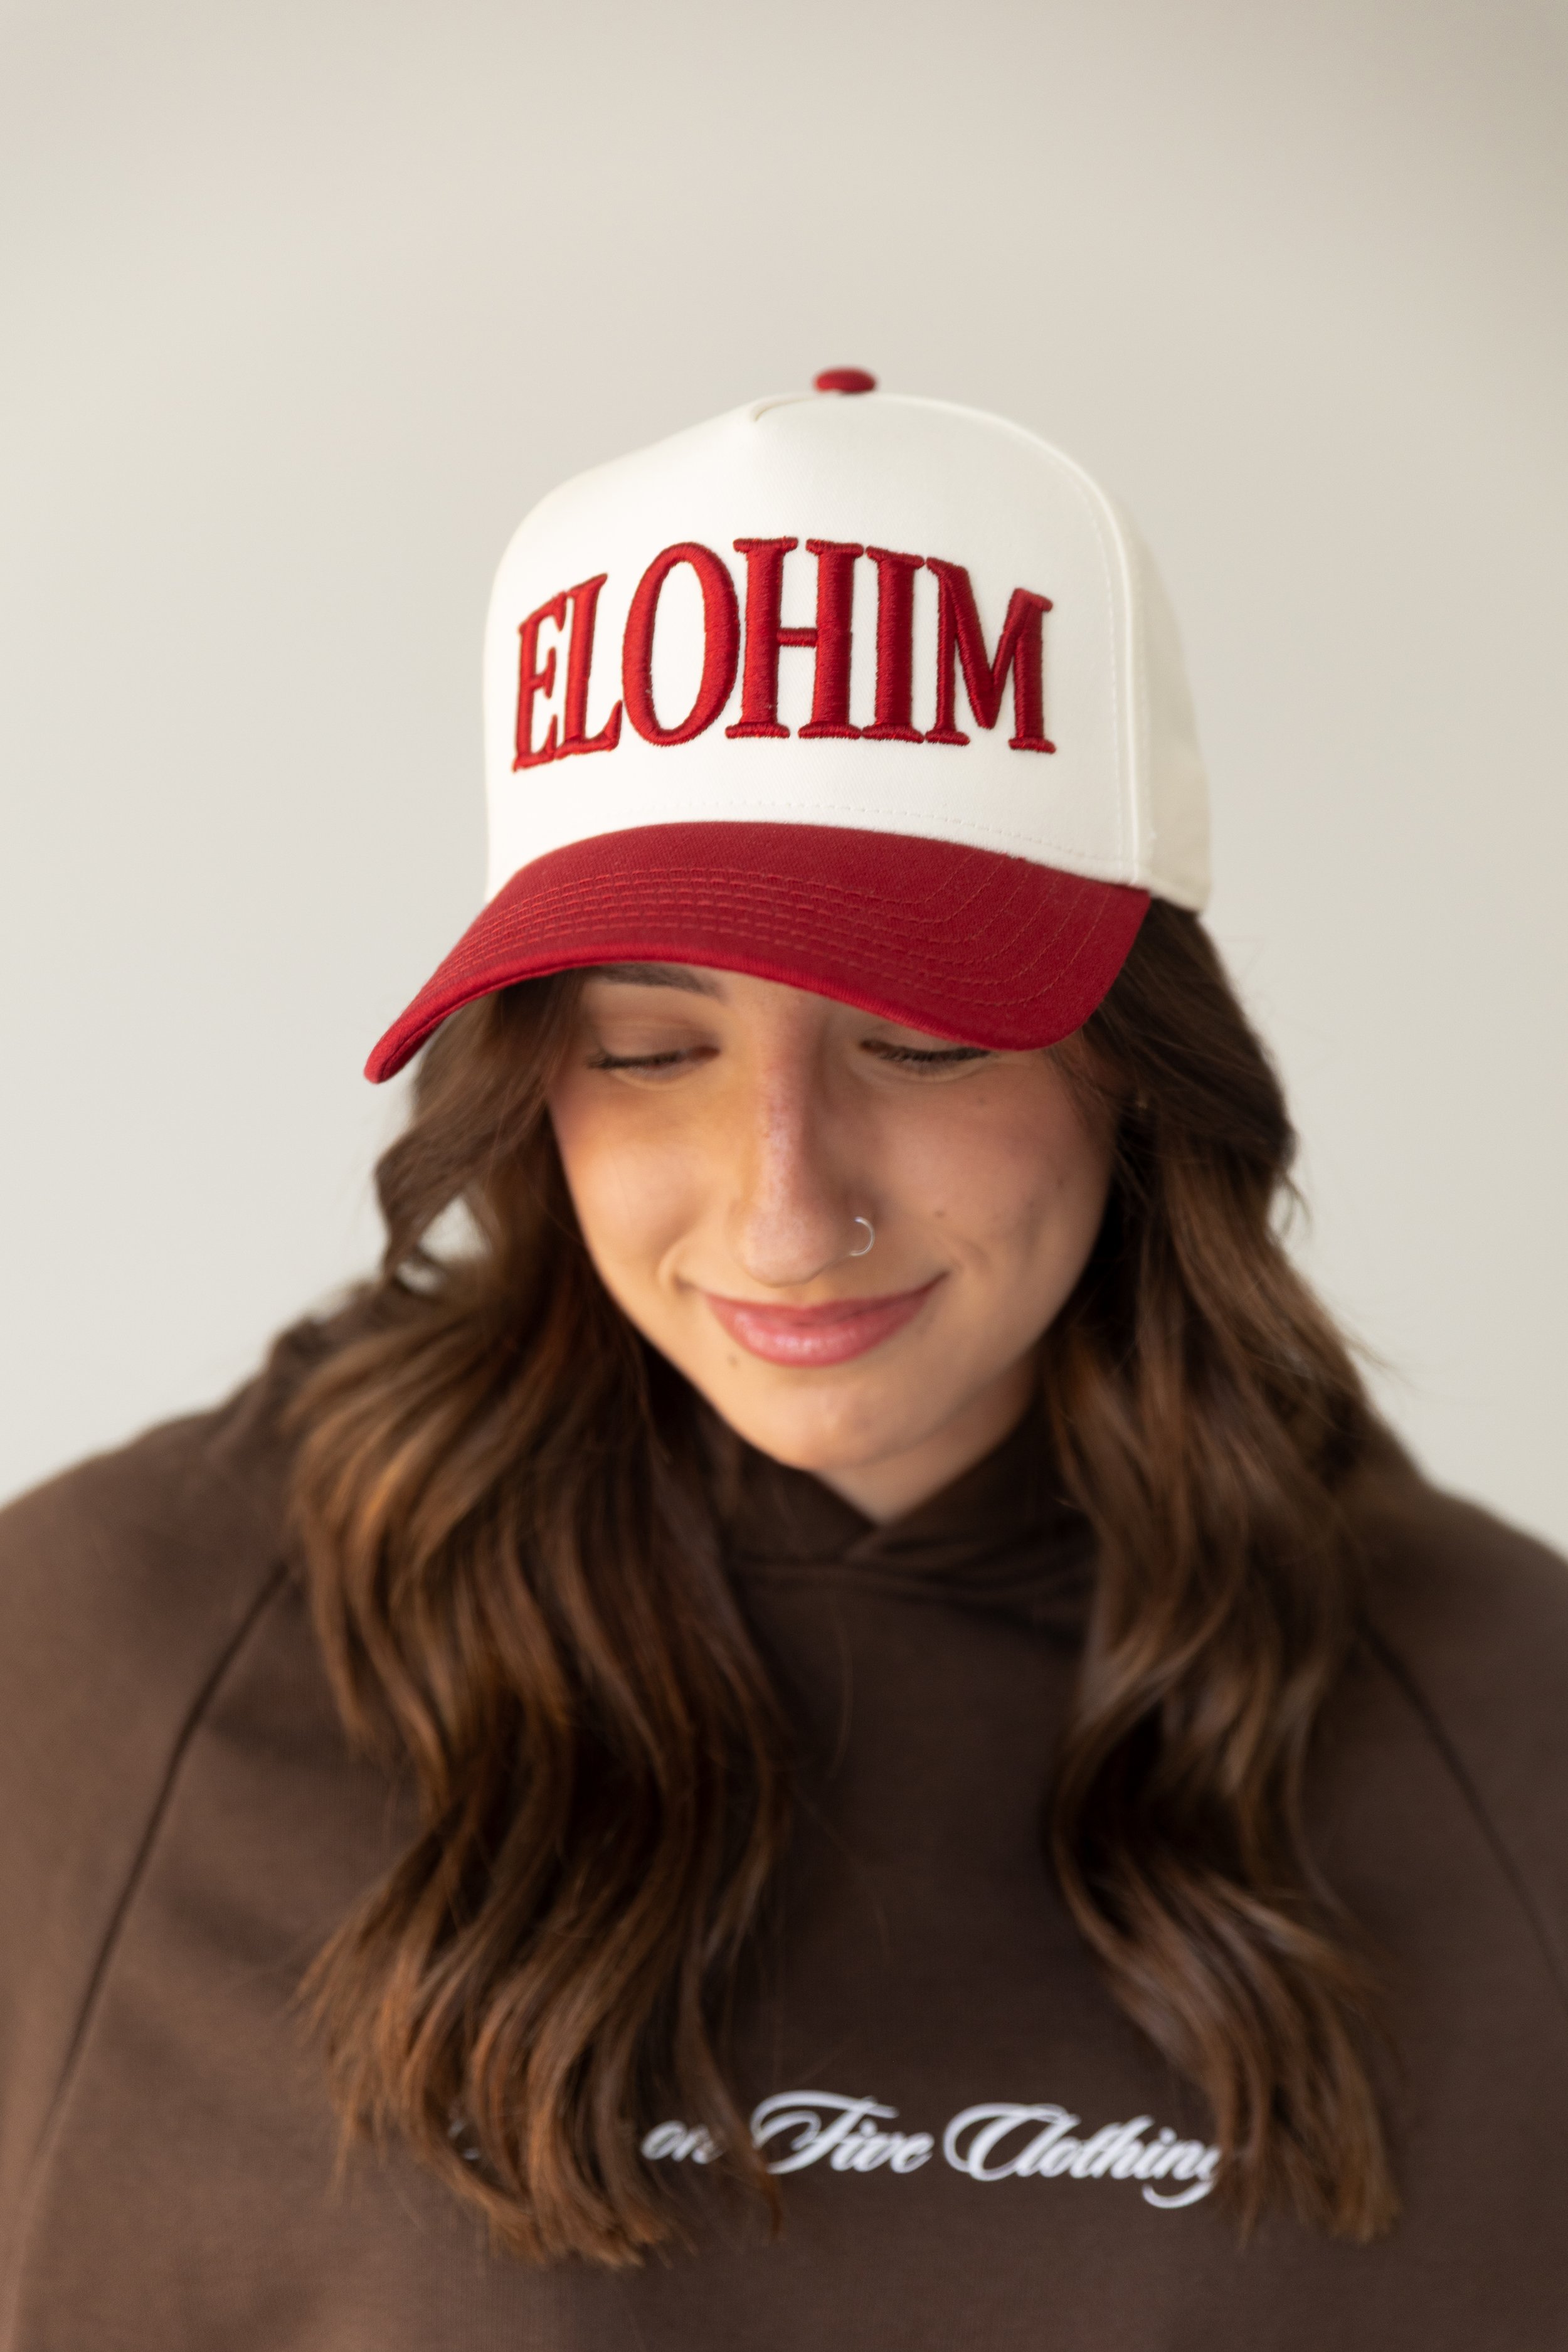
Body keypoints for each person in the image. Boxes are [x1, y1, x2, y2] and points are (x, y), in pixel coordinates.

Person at [2, 373, 1565, 2352]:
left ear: (1139, 1064)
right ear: (527, 1080)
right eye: (649, 1050)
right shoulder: (94, 1664)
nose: (782, 1213)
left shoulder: (1514, 1724)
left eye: (920, 1041)